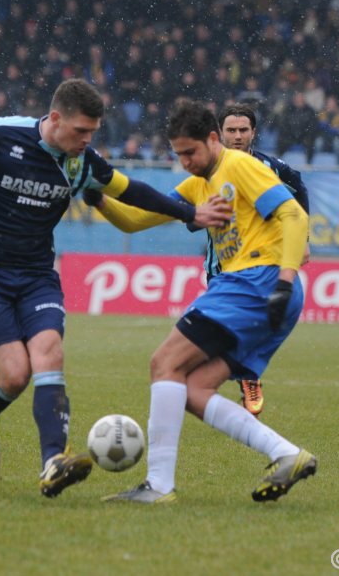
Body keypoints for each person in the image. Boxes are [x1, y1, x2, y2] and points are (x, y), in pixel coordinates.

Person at [0, 79, 231, 498]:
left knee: (49, 353)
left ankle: (53, 461)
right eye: (81, 131)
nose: (87, 140)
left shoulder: (82, 162)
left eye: (93, 132)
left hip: (38, 276)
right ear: (55, 119)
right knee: (16, 374)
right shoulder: (2, 133)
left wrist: (190, 213)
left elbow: (133, 191)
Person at [101, 101, 316, 504]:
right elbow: (133, 219)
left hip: (258, 281)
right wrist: (96, 195)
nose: (184, 162)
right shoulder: (199, 181)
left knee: (164, 364)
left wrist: (284, 281)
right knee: (194, 389)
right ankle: (286, 454)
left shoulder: (238, 165)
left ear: (213, 139)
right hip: (259, 288)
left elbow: (295, 217)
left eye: (190, 153)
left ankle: (159, 486)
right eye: (178, 154)